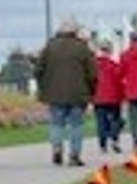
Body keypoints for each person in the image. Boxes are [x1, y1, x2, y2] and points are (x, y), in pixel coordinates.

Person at [34, 20, 99, 166]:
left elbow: (37, 70)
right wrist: (92, 91)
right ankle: (74, 155)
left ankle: (57, 147)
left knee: (56, 123)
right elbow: (93, 75)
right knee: (76, 125)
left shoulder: (49, 47)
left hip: (54, 94)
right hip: (78, 94)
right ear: (75, 32)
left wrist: (44, 86)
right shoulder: (82, 48)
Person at [93, 38, 125, 154]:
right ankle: (114, 139)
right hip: (114, 98)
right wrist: (123, 97)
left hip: (98, 98)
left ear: (99, 50)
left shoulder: (93, 66)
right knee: (116, 120)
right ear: (110, 51)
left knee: (101, 122)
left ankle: (102, 145)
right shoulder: (114, 66)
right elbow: (120, 83)